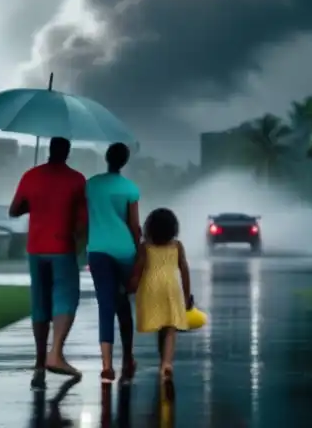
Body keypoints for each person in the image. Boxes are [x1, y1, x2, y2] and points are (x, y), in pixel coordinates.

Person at [10, 136, 87, 386]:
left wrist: (33, 203)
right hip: (62, 246)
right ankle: (56, 355)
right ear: (67, 153)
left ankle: (40, 360)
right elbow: (83, 221)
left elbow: (14, 210)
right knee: (65, 297)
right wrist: (80, 247)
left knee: (40, 301)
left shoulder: (30, 176)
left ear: (48, 150)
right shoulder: (77, 179)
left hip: (36, 247)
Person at [85, 142, 141, 384]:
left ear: (106, 158)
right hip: (124, 251)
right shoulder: (130, 188)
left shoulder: (91, 185)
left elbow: (85, 214)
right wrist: (139, 253)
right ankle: (127, 357)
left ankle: (106, 365)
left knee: (105, 305)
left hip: (98, 250)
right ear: (125, 162)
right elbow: (134, 226)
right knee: (123, 304)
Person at [130, 208, 192, 383]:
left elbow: (138, 269)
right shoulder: (177, 246)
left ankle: (162, 361)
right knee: (170, 328)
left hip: (150, 288)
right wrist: (186, 295)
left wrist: (131, 285)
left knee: (160, 325)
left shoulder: (145, 247)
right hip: (171, 288)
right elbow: (184, 270)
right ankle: (167, 363)